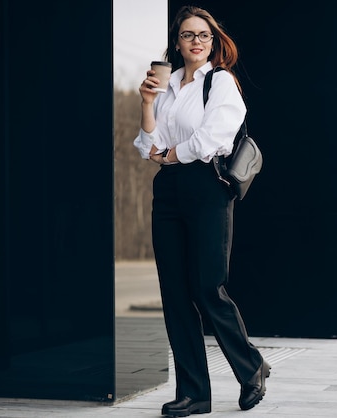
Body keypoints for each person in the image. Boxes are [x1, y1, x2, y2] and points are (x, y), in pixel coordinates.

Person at [133, 5, 270, 417]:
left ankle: (251, 368)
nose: (196, 41)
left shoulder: (221, 82)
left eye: (204, 35)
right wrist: (147, 102)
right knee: (175, 295)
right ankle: (194, 393)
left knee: (208, 287)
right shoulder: (168, 84)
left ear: (212, 42)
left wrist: (172, 154)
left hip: (207, 186)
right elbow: (145, 146)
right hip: (169, 191)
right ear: (177, 42)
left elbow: (213, 137)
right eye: (189, 35)